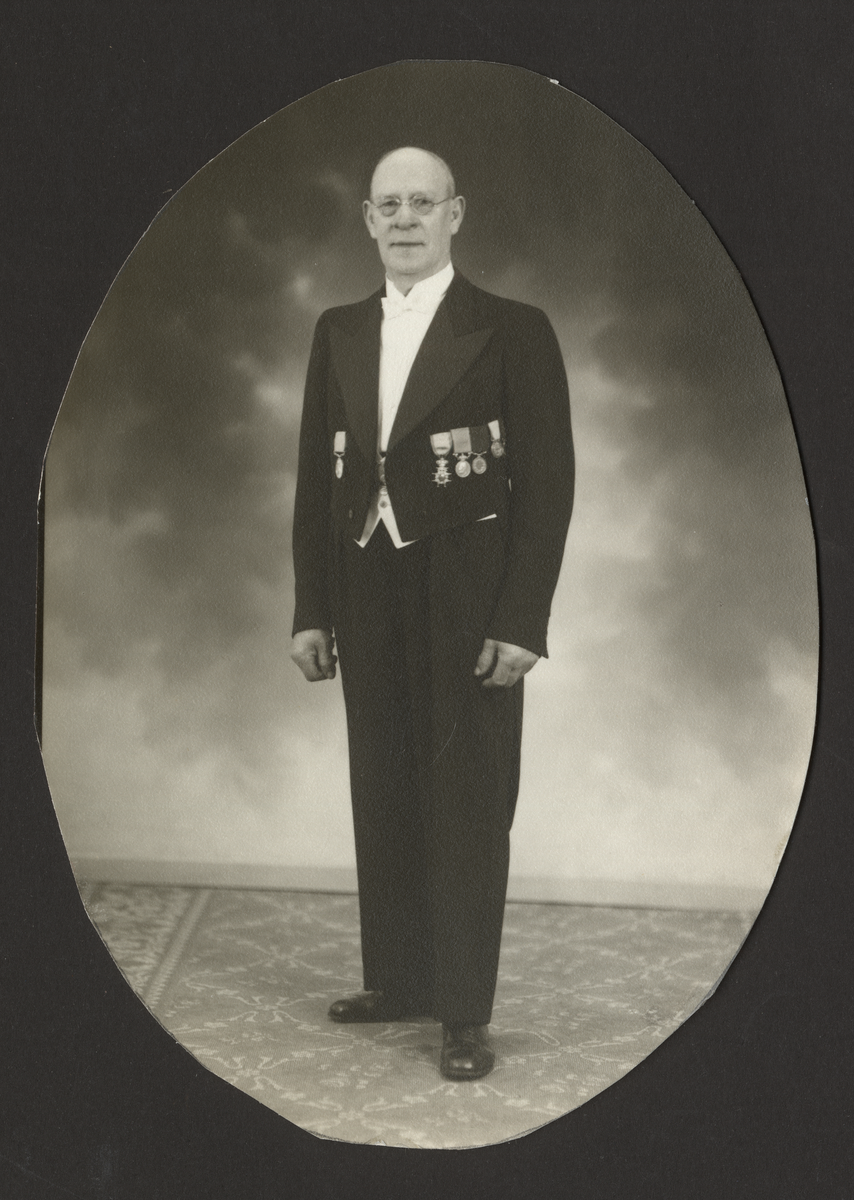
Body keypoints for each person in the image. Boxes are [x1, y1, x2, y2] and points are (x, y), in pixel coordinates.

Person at [291, 146, 574, 1081]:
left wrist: (522, 620)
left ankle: (461, 1011)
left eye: (423, 202)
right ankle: (400, 979)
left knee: (466, 797)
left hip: (467, 594)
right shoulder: (337, 328)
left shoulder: (513, 327)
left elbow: (549, 487)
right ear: (367, 221)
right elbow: (314, 482)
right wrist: (311, 608)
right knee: (383, 784)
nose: (405, 219)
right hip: (364, 582)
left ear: (456, 214)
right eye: (389, 205)